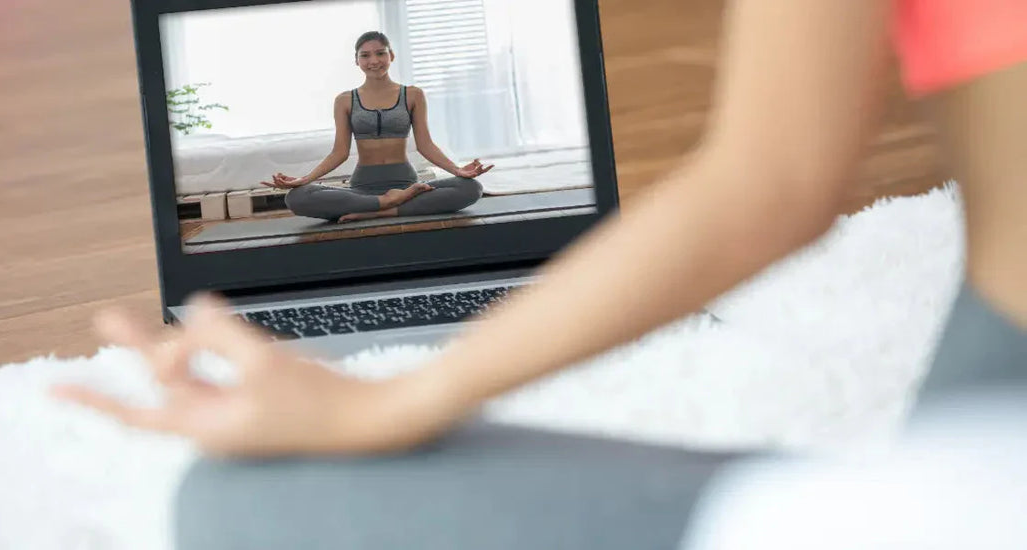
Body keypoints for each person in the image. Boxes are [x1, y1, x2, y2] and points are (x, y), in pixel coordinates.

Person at [54, 1, 1027, 548]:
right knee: (341, 201)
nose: (377, 55)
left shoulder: (416, 95)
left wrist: (383, 405)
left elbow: (767, 183)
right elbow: (326, 169)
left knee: (232, 505)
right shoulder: (354, 103)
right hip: (999, 332)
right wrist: (305, 184)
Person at [259, 31, 493, 224]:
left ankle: (381, 211)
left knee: (470, 188)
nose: (374, 61)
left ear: (391, 55)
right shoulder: (345, 100)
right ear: (357, 60)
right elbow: (339, 152)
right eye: (365, 55)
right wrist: (304, 179)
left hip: (406, 184)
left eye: (380, 53)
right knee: (297, 197)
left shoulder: (412, 95)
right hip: (363, 188)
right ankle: (386, 203)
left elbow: (425, 144)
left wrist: (458, 171)